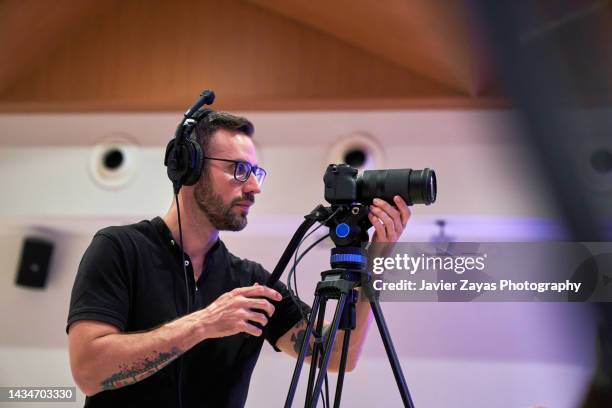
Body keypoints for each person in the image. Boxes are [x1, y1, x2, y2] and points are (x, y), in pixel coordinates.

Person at [66, 111, 411, 407]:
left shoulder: (251, 283)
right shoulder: (119, 248)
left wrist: (375, 262)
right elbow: (88, 372)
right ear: (190, 168)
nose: (254, 187)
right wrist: (202, 324)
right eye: (239, 169)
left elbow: (338, 357)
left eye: (256, 173)